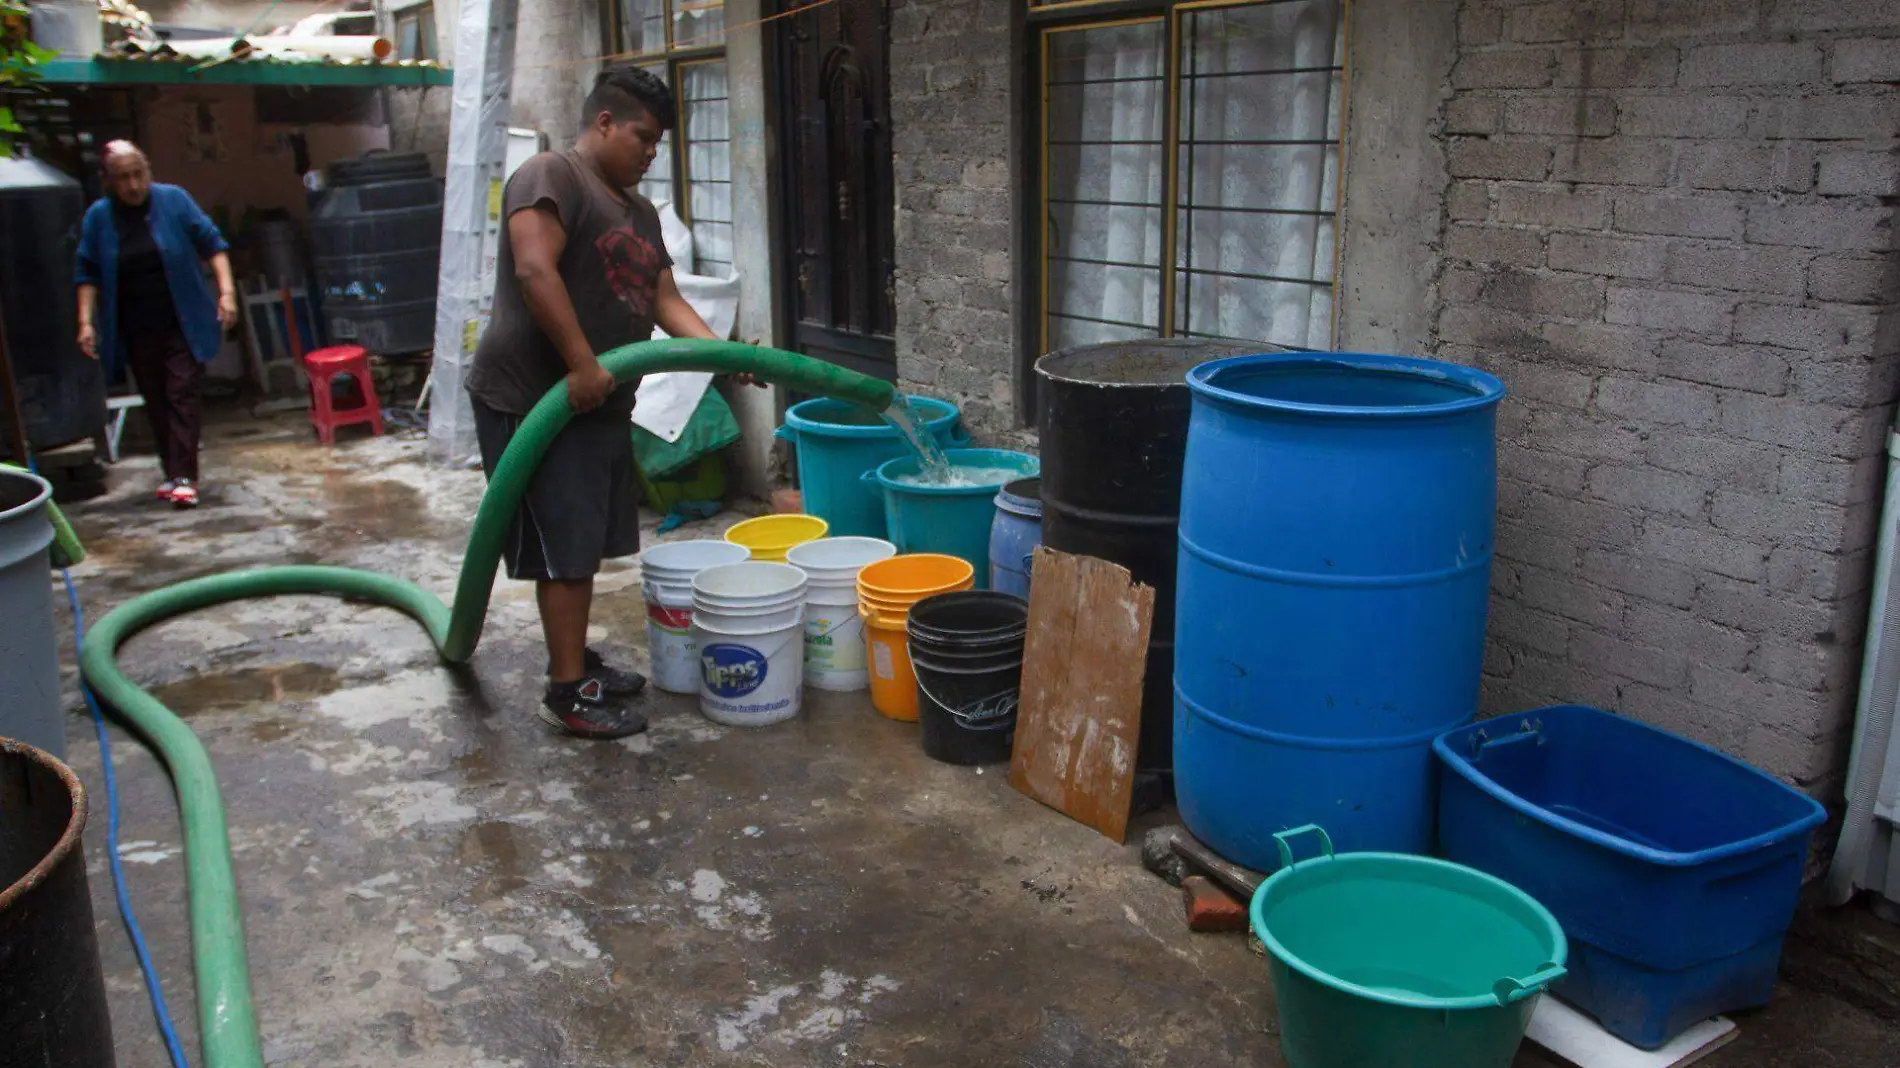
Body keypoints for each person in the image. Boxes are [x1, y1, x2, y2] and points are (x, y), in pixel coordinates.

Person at [466, 63, 730, 741]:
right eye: (642, 137)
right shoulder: (552, 176)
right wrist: (581, 365)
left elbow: (666, 300)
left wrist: (729, 357)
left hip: (600, 403)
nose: (650, 152)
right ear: (604, 122)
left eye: (658, 142)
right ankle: (566, 688)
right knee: (565, 549)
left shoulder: (640, 213)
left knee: (586, 539)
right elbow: (533, 267)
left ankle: (575, 656)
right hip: (535, 399)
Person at [74, 140, 237, 508]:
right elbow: (87, 271)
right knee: (157, 398)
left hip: (183, 320)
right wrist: (85, 322)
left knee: (182, 392)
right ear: (108, 182)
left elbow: (213, 244)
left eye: (138, 175)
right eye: (123, 178)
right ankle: (171, 471)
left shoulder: (174, 200)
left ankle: (183, 476)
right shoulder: (99, 218)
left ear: (148, 171)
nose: (133, 185)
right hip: (135, 325)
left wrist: (226, 294)